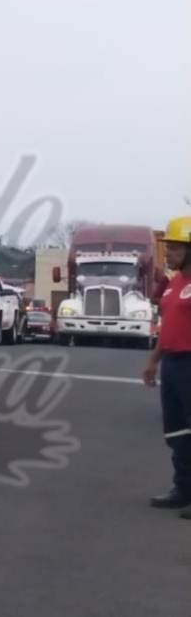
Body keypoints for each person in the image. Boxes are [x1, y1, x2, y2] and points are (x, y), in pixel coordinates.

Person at [143, 216, 191, 518]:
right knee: (176, 430)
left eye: (174, 248)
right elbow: (168, 327)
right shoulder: (174, 285)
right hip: (172, 364)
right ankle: (183, 489)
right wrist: (153, 362)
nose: (168, 253)